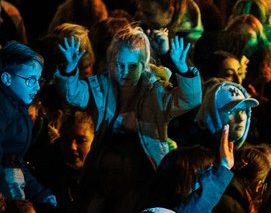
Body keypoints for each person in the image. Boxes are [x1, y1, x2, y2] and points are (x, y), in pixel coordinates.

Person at [55, 26, 201, 166]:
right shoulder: (99, 87)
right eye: (120, 64)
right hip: (105, 165)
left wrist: (183, 69)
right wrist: (69, 70)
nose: (125, 71)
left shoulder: (156, 91)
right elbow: (72, 95)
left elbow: (189, 100)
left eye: (132, 66)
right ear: (111, 62)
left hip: (144, 167)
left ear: (143, 66)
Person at [0, 43, 54, 206]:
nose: (37, 87)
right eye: (30, 80)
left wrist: (38, 191)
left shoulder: (18, 107)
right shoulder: (3, 109)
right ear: (7, 78)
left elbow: (14, 160)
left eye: (38, 80)